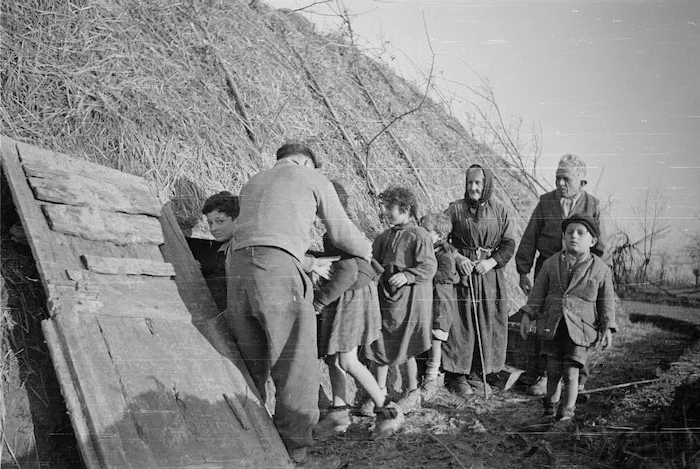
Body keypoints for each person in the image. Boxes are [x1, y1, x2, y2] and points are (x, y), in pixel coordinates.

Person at [226, 143, 372, 469]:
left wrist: (304, 260)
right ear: (307, 161)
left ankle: (247, 439)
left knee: (249, 359)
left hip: (237, 271)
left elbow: (265, 235)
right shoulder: (310, 176)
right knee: (296, 360)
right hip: (277, 274)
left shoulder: (253, 181)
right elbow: (342, 231)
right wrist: (367, 249)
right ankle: (296, 453)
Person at [313, 181, 404, 440]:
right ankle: (339, 412)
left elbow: (348, 272)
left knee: (347, 360)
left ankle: (386, 410)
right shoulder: (339, 229)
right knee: (334, 357)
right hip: (348, 296)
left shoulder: (339, 232)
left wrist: (320, 301)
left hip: (351, 298)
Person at [515, 154, 609, 396]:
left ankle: (578, 379)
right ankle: (545, 375)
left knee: (580, 323)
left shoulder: (592, 205)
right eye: (557, 178)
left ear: (581, 181)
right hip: (549, 270)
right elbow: (529, 237)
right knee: (547, 321)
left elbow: (600, 246)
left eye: (565, 178)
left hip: (580, 274)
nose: (559, 183)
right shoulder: (546, 202)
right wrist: (523, 270)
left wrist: (595, 276)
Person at [518, 214, 616, 430]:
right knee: (552, 370)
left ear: (592, 241)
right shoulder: (551, 264)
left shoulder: (600, 269)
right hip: (552, 326)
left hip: (581, 330)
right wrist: (528, 314)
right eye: (570, 232)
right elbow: (538, 292)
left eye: (581, 233)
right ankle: (549, 410)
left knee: (572, 373)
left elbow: (605, 302)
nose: (574, 236)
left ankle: (566, 415)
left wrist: (607, 327)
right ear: (563, 236)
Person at [442, 164, 515, 395]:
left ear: (486, 185)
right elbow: (439, 238)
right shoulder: (455, 209)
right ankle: (457, 374)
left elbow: (509, 244)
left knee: (486, 322)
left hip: (488, 276)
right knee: (462, 322)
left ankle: (478, 373)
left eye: (478, 183)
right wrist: (456, 257)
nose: (473, 187)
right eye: (469, 182)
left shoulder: (500, 211)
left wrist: (490, 262)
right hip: (462, 277)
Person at [364, 187, 437, 415]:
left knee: (407, 349)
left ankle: (412, 392)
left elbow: (429, 267)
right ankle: (380, 392)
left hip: (408, 304)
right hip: (387, 301)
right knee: (381, 345)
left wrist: (407, 276)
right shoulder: (384, 237)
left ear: (405, 209)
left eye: (389, 207)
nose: (384, 212)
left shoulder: (419, 236)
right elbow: (374, 262)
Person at [418, 212, 459, 399]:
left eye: (426, 231)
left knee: (436, 337)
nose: (421, 233)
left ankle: (432, 377)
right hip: (431, 298)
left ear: (439, 236)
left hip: (441, 301)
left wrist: (424, 274)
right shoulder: (427, 250)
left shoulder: (444, 255)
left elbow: (443, 273)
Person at [201, 191, 239, 312]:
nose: (213, 228)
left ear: (237, 219)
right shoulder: (224, 248)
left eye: (220, 221)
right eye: (210, 223)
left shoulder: (238, 247)